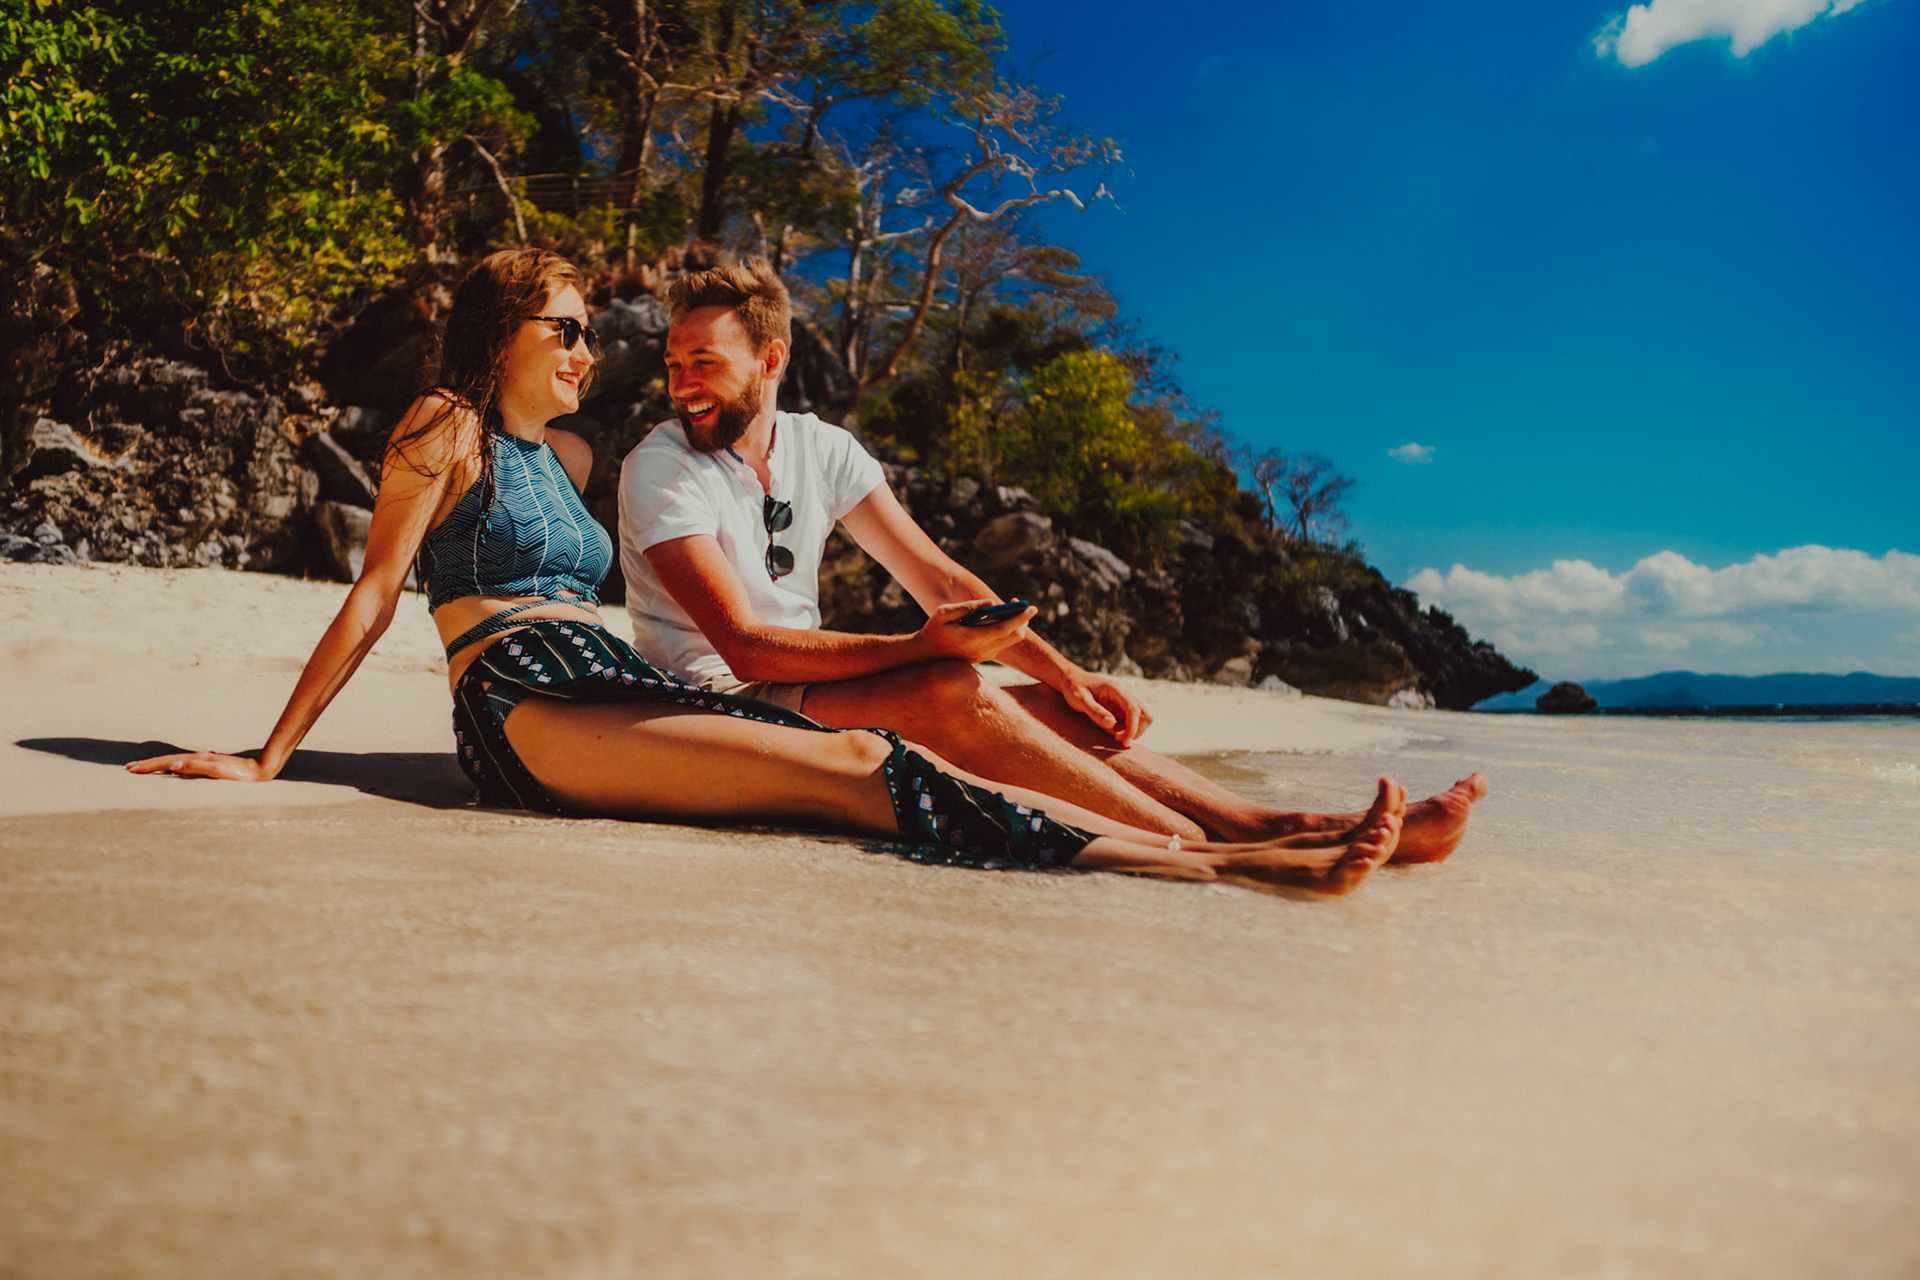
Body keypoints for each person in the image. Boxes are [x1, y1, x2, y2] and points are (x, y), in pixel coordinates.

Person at [128, 248, 1408, 893]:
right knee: (869, 767)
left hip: (614, 673)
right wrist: (270, 754)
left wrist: (1046, 661)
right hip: (524, 696)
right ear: (499, 333)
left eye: (585, 333)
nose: (589, 349)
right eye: (565, 328)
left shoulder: (570, 456)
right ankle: (1218, 866)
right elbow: (372, 592)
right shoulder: (439, 424)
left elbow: (928, 573)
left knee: (886, 751)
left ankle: (1245, 838)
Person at [618, 258, 1486, 857]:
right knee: (950, 689)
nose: (682, 382)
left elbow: (945, 583)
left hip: (802, 687)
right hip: (717, 702)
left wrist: (1067, 675)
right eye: (673, 362)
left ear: (769, 361)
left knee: (1056, 716)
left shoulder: (825, 450)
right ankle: (1212, 846)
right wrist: (923, 649)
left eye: (705, 362)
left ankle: (1272, 822)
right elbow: (742, 648)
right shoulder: (662, 465)